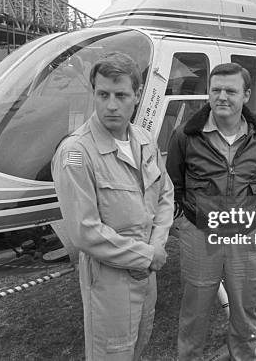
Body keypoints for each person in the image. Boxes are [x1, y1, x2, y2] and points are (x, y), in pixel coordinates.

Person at [51, 52, 174, 361]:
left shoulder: (144, 140)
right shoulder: (77, 153)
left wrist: (156, 246)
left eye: (121, 95)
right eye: (102, 94)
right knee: (111, 354)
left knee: (139, 344)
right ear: (94, 94)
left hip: (147, 273)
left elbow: (165, 194)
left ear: (137, 95)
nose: (111, 105)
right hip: (109, 282)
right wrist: (148, 255)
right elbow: (85, 232)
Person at [166, 62, 256, 361]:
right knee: (195, 313)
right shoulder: (186, 136)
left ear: (246, 95)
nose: (222, 97)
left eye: (230, 91)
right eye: (215, 89)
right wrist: (188, 222)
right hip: (200, 235)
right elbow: (174, 184)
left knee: (246, 313)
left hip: (247, 236)